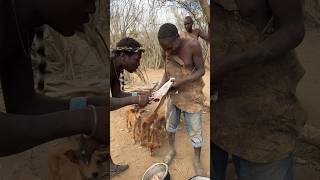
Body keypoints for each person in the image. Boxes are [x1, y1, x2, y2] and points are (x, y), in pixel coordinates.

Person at [0, 0, 108, 156]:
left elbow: (25, 106)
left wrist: (89, 105)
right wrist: (88, 119)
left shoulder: (20, 23)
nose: (91, 9)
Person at [212, 0, 306, 179]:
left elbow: (293, 29)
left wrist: (231, 64)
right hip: (212, 108)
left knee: (265, 162)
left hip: (261, 102)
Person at [157, 23, 206, 176]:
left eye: (170, 47)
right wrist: (160, 89)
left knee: (195, 130)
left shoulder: (193, 45)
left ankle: (197, 159)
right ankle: (172, 150)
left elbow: (201, 70)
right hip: (174, 94)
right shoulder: (166, 48)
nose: (167, 51)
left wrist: (182, 81)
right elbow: (167, 71)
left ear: (178, 38)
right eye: (165, 48)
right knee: (170, 127)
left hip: (191, 95)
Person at [109, 37, 150, 177]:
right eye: (137, 59)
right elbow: (101, 103)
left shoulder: (116, 69)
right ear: (123, 55)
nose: (138, 64)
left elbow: (118, 95)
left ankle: (108, 167)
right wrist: (136, 99)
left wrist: (136, 93)